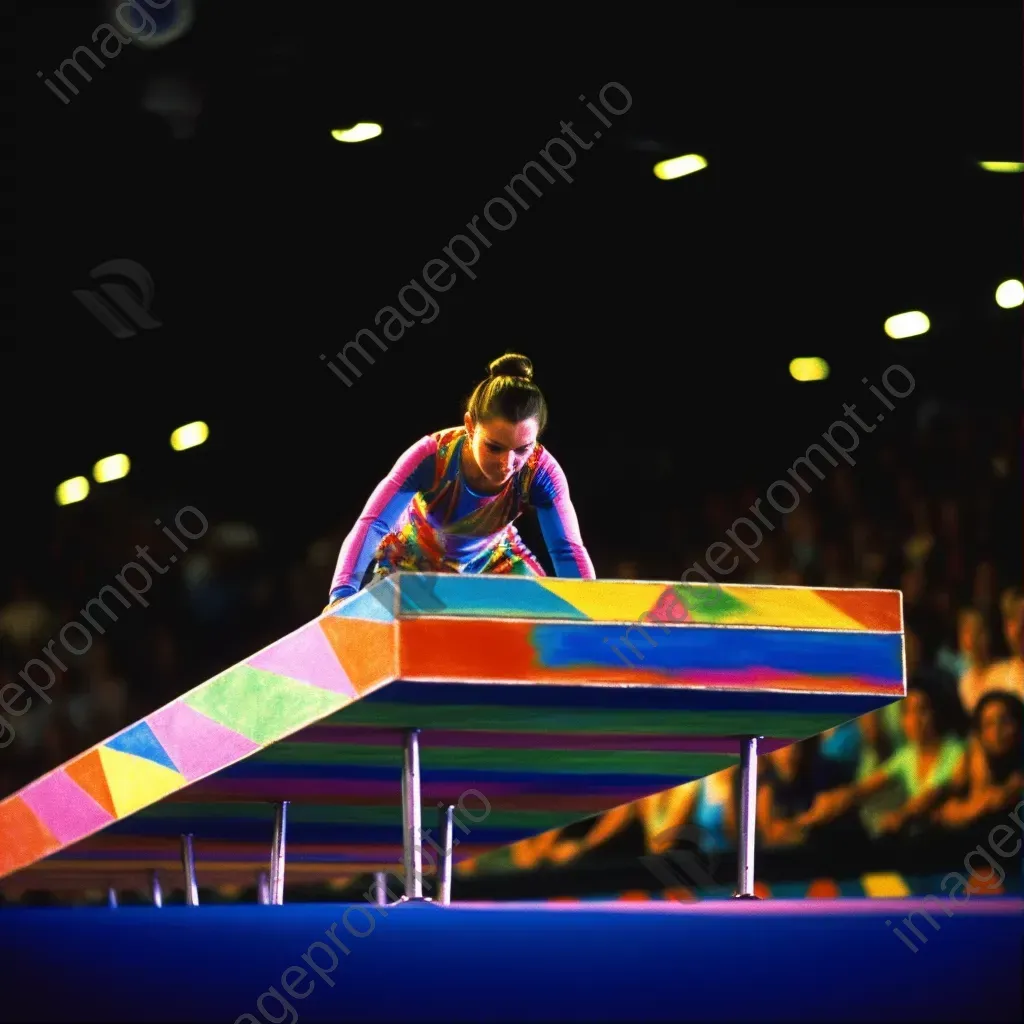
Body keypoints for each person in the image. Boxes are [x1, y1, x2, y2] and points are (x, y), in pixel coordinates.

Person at [326, 353, 595, 608]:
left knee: (547, 616)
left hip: (494, 558)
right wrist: (342, 593)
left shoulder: (541, 472)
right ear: (469, 425)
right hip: (411, 562)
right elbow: (374, 523)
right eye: (494, 447)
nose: (507, 464)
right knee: (417, 642)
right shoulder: (432, 456)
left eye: (522, 449)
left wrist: (593, 611)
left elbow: (566, 549)